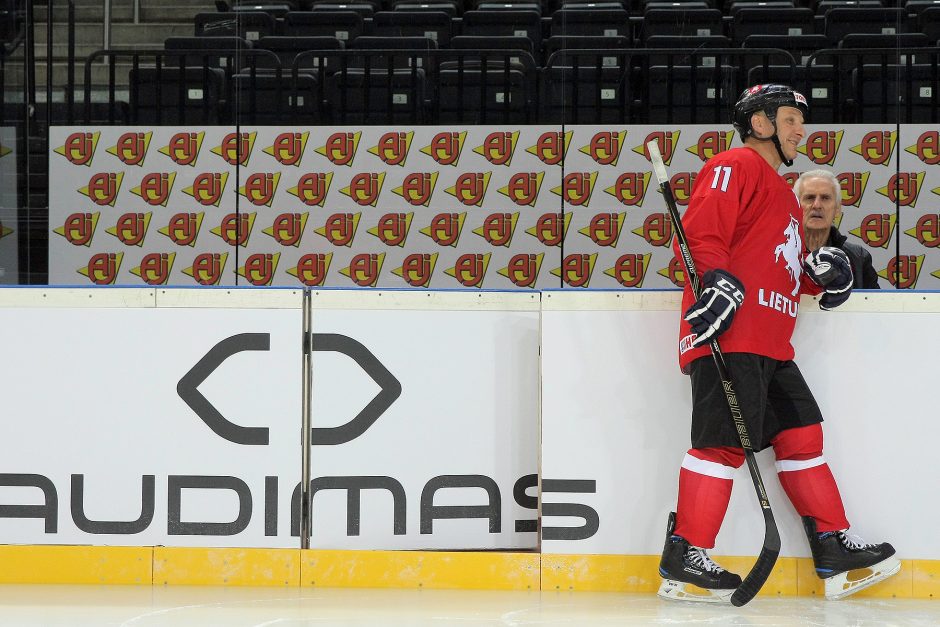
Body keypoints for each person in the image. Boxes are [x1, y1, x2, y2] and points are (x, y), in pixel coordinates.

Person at [657, 84, 899, 603]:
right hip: (733, 334)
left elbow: (779, 267)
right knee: (720, 445)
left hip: (772, 344)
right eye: (791, 119)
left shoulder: (784, 194)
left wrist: (819, 278)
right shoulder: (735, 164)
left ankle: (831, 544)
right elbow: (700, 235)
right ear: (761, 122)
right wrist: (713, 281)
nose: (800, 130)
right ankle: (685, 551)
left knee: (803, 436)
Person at [795, 169, 880, 289]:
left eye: (825, 198)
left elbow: (875, 306)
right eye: (810, 198)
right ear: (795, 206)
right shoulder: (778, 255)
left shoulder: (859, 259)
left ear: (837, 209)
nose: (817, 205)